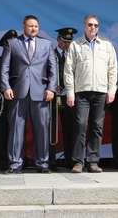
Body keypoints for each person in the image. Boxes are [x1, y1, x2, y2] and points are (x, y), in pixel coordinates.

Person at [0, 15, 57, 174]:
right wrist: (6, 87)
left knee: (42, 128)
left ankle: (42, 164)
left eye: (36, 26)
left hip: (41, 93)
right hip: (18, 92)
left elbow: (53, 70)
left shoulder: (47, 44)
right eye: (31, 26)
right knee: (16, 129)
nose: (34, 29)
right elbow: (4, 68)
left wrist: (51, 89)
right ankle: (14, 164)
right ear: (24, 26)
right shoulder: (12, 43)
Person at [65, 15, 118, 173]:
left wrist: (112, 90)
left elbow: (113, 70)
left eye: (95, 25)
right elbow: (68, 70)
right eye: (90, 25)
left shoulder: (107, 45)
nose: (93, 28)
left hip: (100, 92)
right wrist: (70, 92)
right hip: (81, 92)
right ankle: (78, 162)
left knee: (97, 127)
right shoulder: (75, 45)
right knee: (80, 125)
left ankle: (93, 161)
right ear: (84, 25)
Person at [49, 27, 77, 170]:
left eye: (69, 42)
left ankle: (70, 160)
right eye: (64, 41)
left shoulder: (74, 56)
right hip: (52, 96)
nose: (67, 44)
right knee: (51, 130)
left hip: (69, 96)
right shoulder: (50, 54)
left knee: (70, 129)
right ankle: (50, 161)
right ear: (58, 39)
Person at [0, 29, 18, 171]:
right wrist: (6, 87)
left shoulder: (21, 60)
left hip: (17, 100)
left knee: (16, 131)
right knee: (0, 131)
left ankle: (14, 159)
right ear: (4, 46)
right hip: (2, 101)